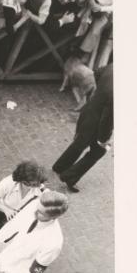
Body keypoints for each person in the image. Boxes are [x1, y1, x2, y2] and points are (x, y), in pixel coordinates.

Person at [52, 63, 113, 192]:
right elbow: (107, 120)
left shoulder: (114, 66)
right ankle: (69, 176)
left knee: (80, 142)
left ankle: (60, 166)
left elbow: (97, 72)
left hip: (89, 109)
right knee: (99, 151)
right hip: (98, 120)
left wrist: (98, 93)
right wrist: (103, 140)